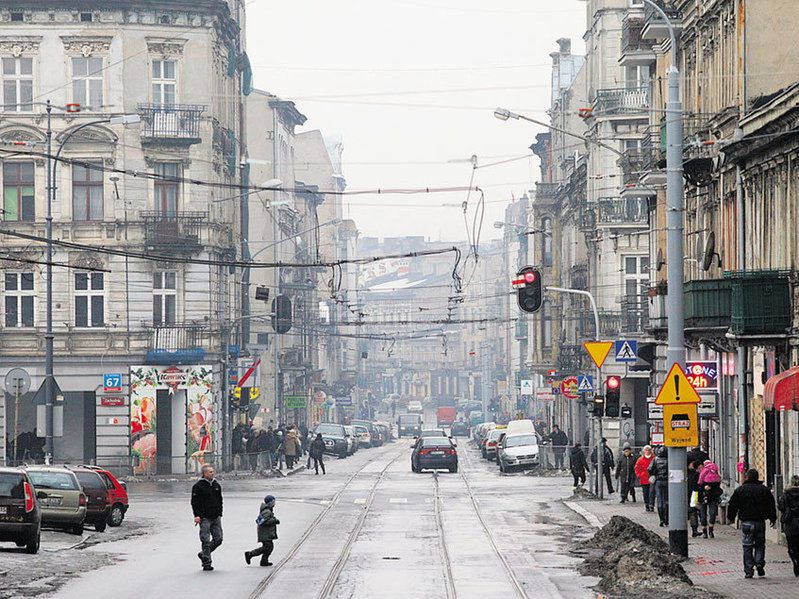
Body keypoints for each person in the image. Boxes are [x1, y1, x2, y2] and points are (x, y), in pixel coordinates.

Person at [726, 468, 777, 579]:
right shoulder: (764, 490)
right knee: (760, 545)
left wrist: (730, 518)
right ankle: (759, 562)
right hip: (760, 522)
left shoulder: (740, 490)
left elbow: (733, 505)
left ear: (747, 477)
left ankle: (749, 570)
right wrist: (773, 519)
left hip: (746, 523)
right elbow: (771, 505)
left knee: (747, 546)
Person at [191, 464, 223, 571]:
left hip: (216, 516)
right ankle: (207, 562)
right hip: (205, 517)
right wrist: (197, 515)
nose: (212, 473)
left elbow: (220, 500)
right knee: (205, 539)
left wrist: (220, 512)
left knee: (218, 539)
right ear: (204, 474)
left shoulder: (216, 485)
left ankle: (204, 553)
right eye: (210, 472)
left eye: (213, 471)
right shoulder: (198, 486)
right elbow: (194, 502)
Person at [245, 495, 280, 567]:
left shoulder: (268, 510)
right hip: (265, 533)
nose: (274, 503)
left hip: (267, 533)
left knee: (269, 547)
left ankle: (264, 561)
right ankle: (250, 554)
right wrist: (274, 520)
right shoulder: (267, 511)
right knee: (267, 547)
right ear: (270, 503)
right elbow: (263, 521)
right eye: (273, 502)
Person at [777, 474, 799, 577]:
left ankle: (795, 560)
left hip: (790, 523)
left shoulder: (786, 494)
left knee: (791, 546)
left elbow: (781, 507)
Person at [697, 459, 723, 539]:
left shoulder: (702, 472)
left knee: (703, 514)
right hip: (712, 497)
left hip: (703, 496)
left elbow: (698, 484)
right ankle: (710, 530)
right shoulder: (716, 472)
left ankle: (706, 531)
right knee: (712, 513)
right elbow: (718, 483)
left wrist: (704, 487)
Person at [648, 446, 669, 526]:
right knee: (667, 500)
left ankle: (661, 519)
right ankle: (667, 519)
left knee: (659, 500)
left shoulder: (655, 459)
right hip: (667, 481)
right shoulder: (668, 460)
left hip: (658, 481)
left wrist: (653, 474)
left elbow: (649, 469)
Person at [634, 445, 655, 512]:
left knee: (652, 493)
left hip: (652, 479)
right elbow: (636, 468)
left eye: (649, 450)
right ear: (644, 451)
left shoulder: (654, 458)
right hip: (644, 479)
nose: (647, 451)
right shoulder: (640, 459)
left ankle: (651, 505)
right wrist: (639, 475)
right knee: (645, 493)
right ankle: (647, 505)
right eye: (646, 450)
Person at [687, 460, 702, 537]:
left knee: (692, 511)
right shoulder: (694, 474)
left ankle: (695, 530)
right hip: (693, 494)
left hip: (686, 494)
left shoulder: (684, 473)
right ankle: (695, 530)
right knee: (693, 511)